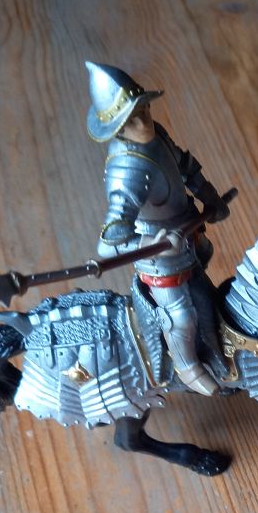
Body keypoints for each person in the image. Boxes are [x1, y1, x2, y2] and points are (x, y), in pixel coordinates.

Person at [86, 61, 230, 395]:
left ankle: (212, 345)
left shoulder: (158, 135)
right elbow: (109, 243)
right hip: (159, 259)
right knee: (181, 316)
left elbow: (186, 167)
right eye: (131, 120)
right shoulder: (128, 170)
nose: (143, 123)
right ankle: (188, 367)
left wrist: (209, 197)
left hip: (188, 234)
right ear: (117, 128)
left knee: (204, 285)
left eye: (144, 111)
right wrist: (154, 243)